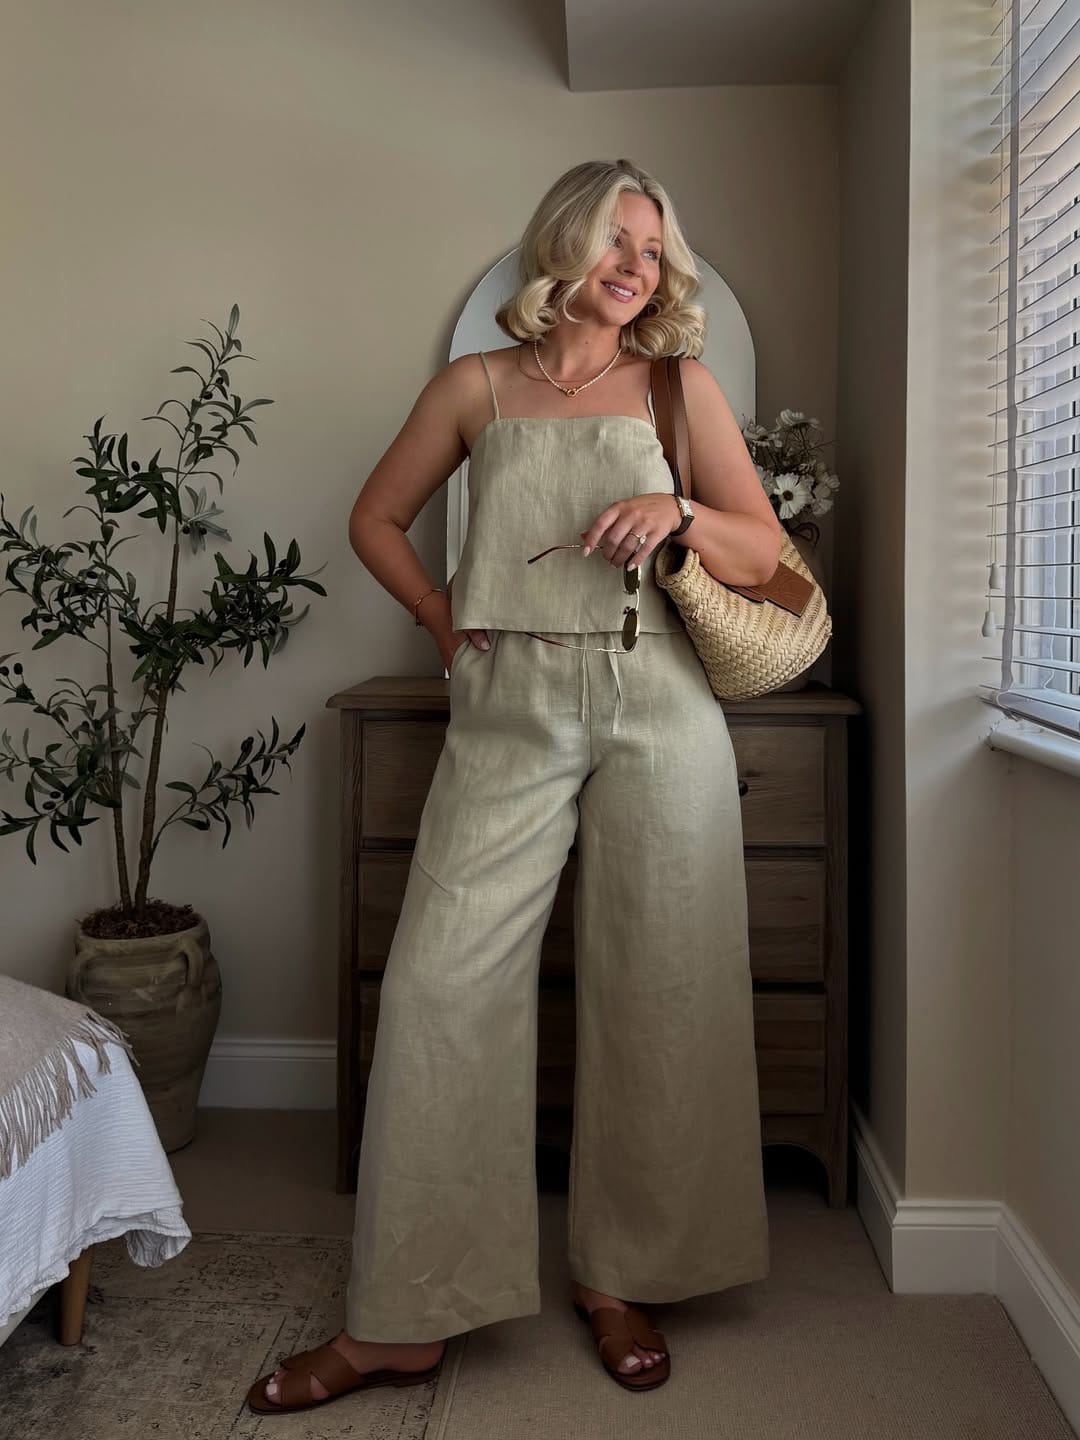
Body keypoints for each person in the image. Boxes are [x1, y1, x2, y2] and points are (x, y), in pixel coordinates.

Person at [247, 157, 781, 1416]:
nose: (635, 264)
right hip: (505, 711)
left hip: (659, 704)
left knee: (664, 987)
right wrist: (443, 619)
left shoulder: (679, 386)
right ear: (561, 244)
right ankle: (401, 1320)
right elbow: (375, 519)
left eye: (651, 246)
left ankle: (623, 1279)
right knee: (438, 990)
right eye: (615, 238)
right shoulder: (475, 385)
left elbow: (763, 552)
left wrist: (678, 511)